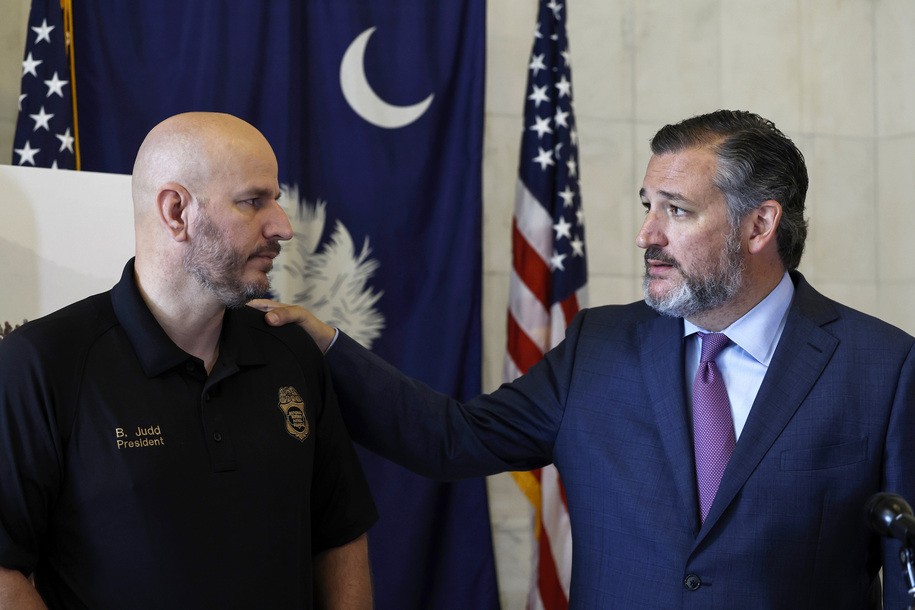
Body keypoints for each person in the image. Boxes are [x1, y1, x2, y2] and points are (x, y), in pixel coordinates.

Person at [254, 110, 915, 608]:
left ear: (758, 225)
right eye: (646, 206)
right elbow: (450, 439)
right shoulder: (596, 348)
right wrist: (327, 348)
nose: (644, 235)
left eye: (675, 211)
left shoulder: (882, 368)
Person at [0, 112, 377, 609]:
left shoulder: (291, 352)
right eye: (253, 201)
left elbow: (340, 535)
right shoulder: (41, 363)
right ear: (176, 211)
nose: (283, 227)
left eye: (276, 201)